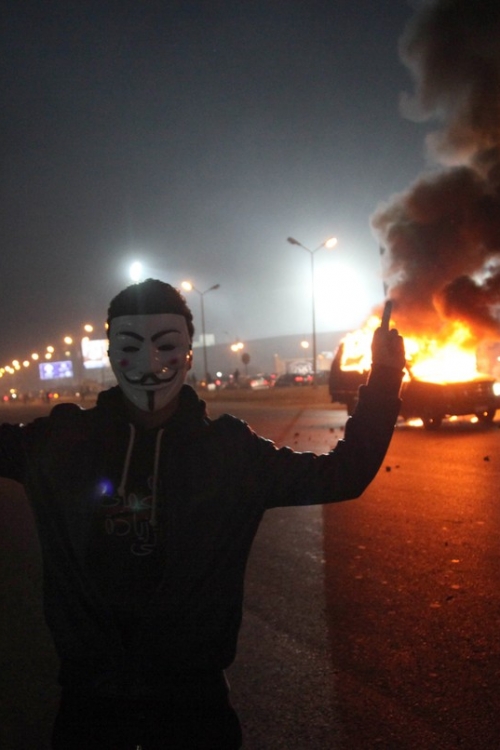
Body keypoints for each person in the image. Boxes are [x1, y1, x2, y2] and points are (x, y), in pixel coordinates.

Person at [0, 279, 405, 750]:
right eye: (130, 347)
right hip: (88, 706)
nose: (150, 363)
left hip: (194, 707)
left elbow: (343, 475)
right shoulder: (59, 442)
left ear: (188, 354)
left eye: (166, 346)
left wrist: (385, 378)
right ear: (110, 354)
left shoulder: (229, 453)